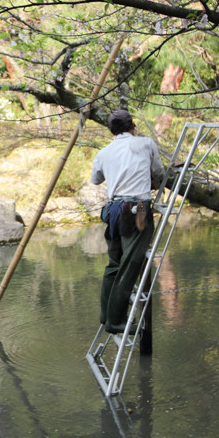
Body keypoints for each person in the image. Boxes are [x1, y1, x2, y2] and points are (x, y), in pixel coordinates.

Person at [90, 109, 165, 334]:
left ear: (112, 131)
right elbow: (159, 173)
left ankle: (106, 315)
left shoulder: (104, 152)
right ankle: (115, 321)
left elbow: (95, 179)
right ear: (133, 126)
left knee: (114, 264)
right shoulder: (145, 144)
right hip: (138, 207)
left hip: (113, 210)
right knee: (130, 265)